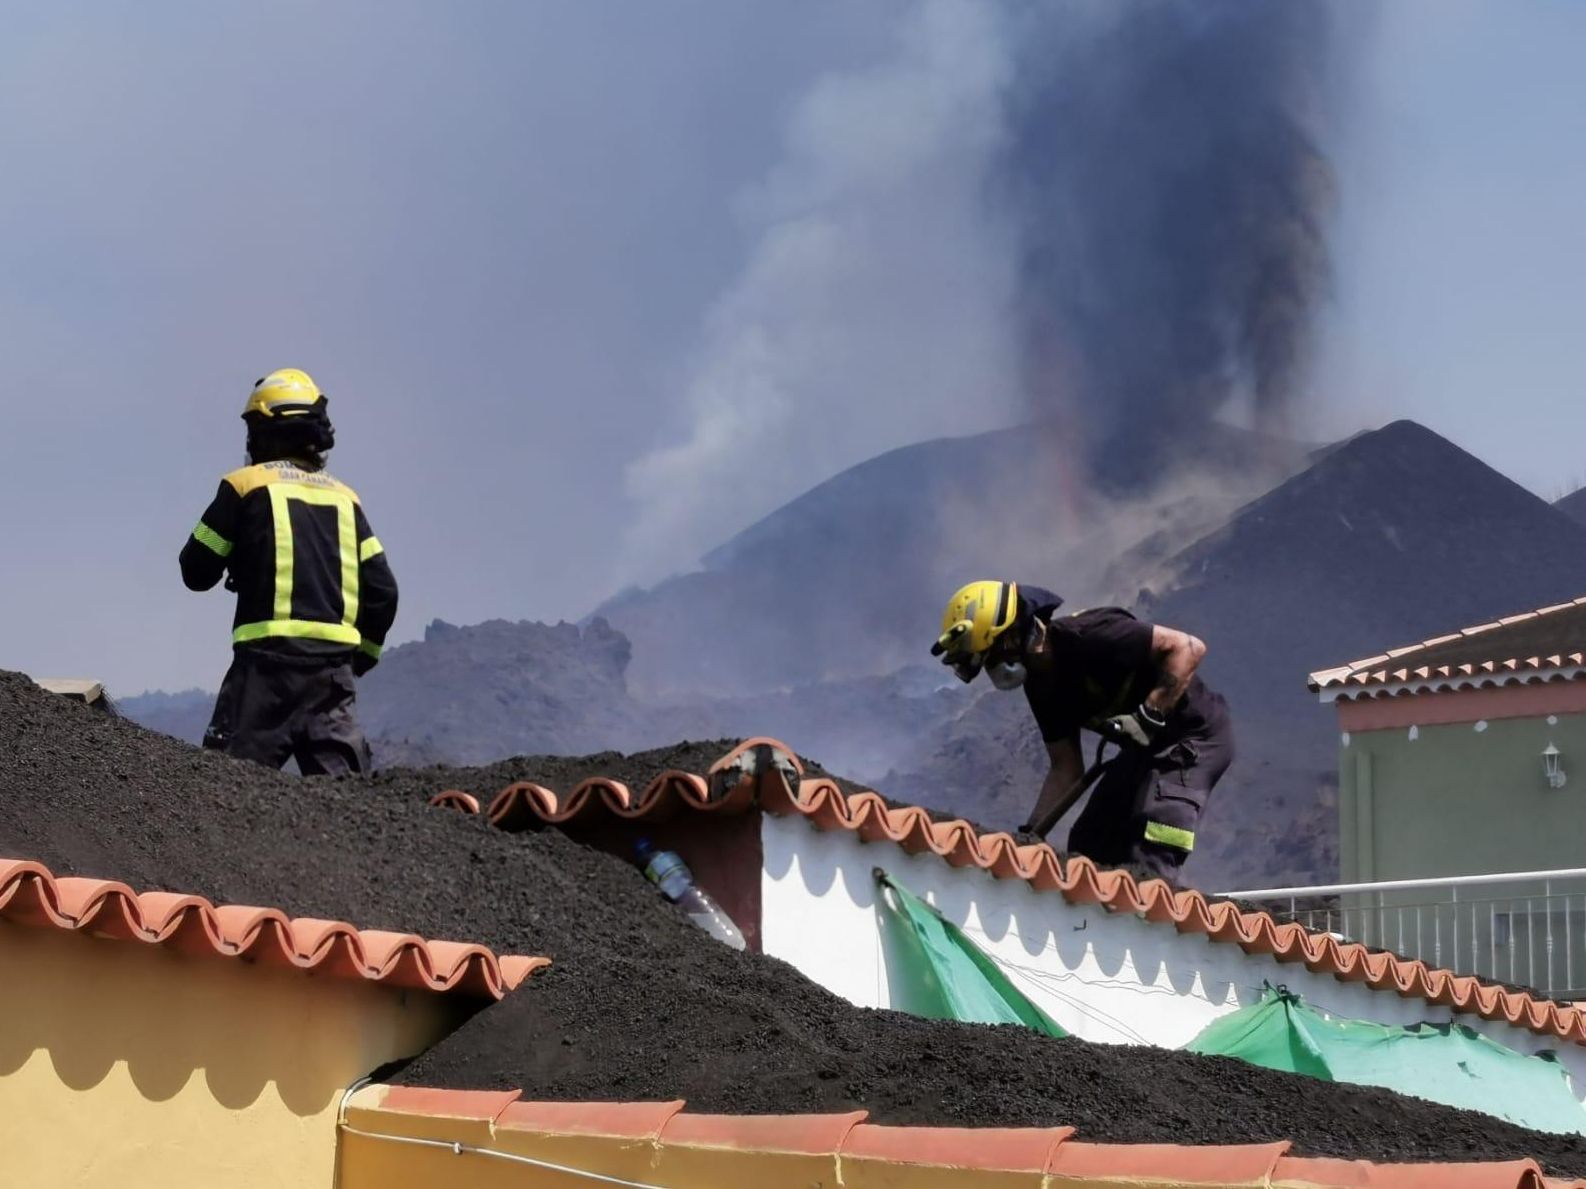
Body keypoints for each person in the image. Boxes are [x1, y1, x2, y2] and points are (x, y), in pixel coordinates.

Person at [930, 580, 1232, 882]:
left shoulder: (1090, 635)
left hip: (1194, 740)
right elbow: (1066, 767)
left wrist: (1149, 714)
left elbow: (1188, 648)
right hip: (1142, 749)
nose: (994, 667)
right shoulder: (1040, 685)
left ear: (1012, 634)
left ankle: (1152, 911)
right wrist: (1032, 834)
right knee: (1088, 844)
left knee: (1154, 833)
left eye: (993, 655)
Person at [180, 368, 398, 775]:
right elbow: (384, 591)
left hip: (264, 672)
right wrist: (361, 658)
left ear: (260, 430)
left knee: (222, 797)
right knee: (350, 809)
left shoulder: (244, 486)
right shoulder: (346, 499)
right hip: (333, 677)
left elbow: (196, 570)